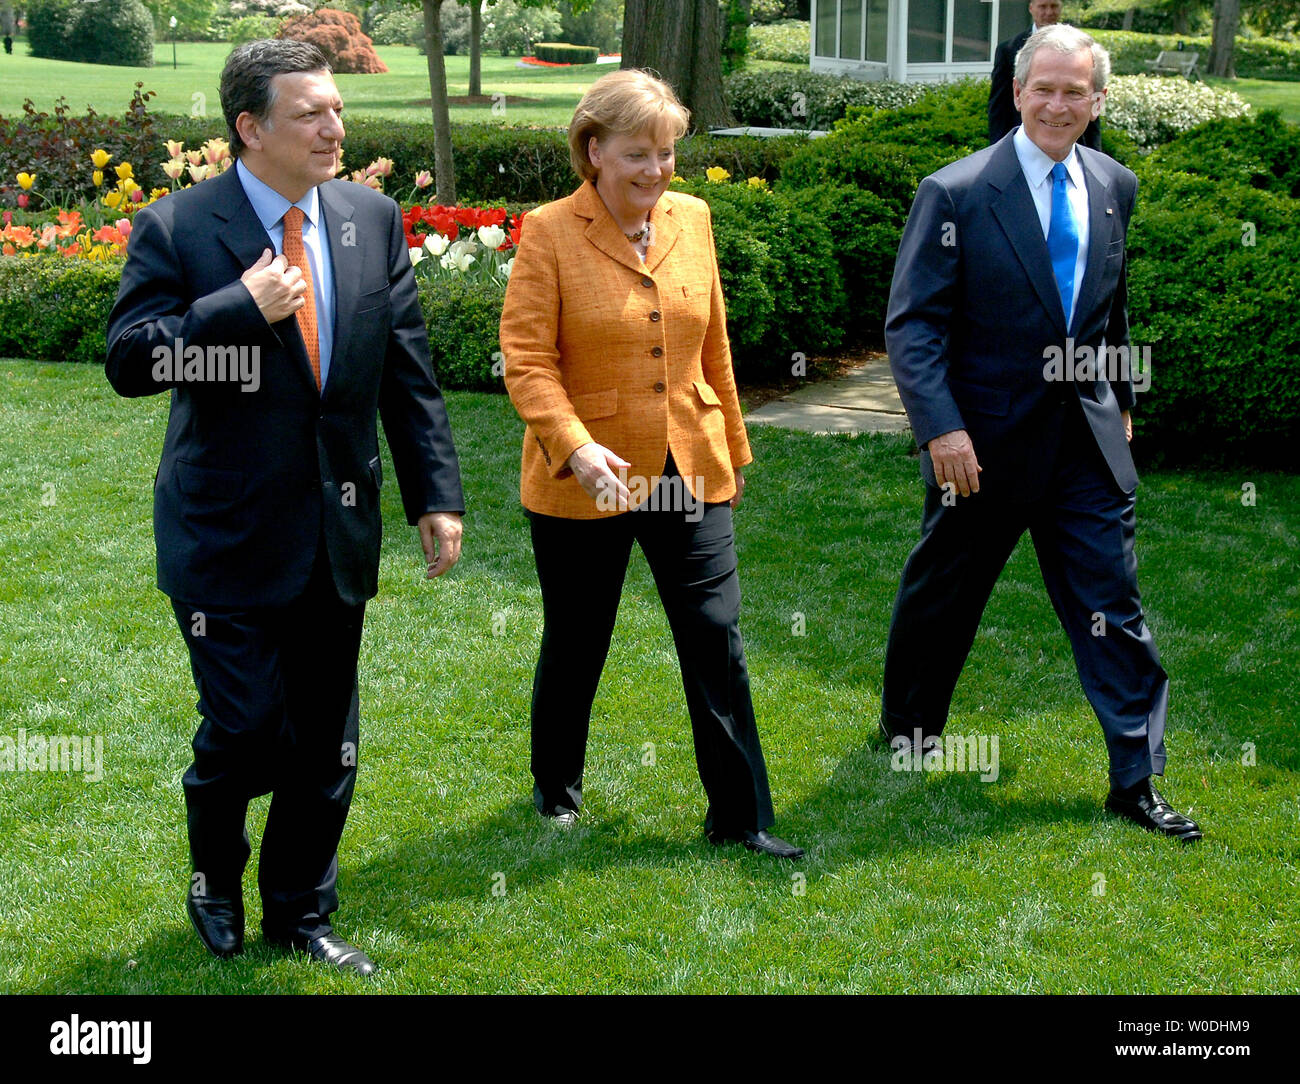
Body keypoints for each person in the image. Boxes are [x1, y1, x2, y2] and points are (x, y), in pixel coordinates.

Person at [105, 39, 465, 973]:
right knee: (245, 728)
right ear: (250, 128)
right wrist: (235, 307)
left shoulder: (370, 218)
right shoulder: (178, 227)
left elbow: (406, 373)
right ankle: (213, 881)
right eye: (311, 114)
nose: (335, 128)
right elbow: (133, 365)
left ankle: (301, 915)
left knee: (325, 742)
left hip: (337, 530)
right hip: (223, 537)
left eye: (337, 110)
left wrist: (436, 495)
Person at [881, 25, 1201, 842]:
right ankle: (910, 728)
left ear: (1097, 103)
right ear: (1018, 92)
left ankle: (1136, 780)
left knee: (1113, 606)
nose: (1059, 104)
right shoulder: (954, 192)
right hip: (979, 446)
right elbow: (913, 326)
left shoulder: (1114, 185)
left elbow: (1110, 307)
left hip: (1089, 445)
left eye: (1076, 92)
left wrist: (1121, 394)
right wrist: (940, 431)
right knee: (944, 593)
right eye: (1045, 89)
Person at [499, 69, 803, 860]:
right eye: (638, 154)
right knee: (579, 640)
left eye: (667, 153)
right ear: (592, 150)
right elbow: (526, 361)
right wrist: (573, 444)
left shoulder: (693, 219)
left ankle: (741, 817)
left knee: (716, 634)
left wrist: (732, 452)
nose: (656, 170)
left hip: (688, 464)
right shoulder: (550, 230)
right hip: (586, 475)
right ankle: (556, 789)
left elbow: (714, 347)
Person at [989, 0, 1101, 151]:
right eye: (1043, 6)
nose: (1048, 12)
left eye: (1054, 6)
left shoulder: (1083, 50)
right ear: (1031, 8)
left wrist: (1095, 154)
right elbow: (999, 107)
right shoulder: (1008, 50)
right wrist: (998, 151)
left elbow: (1092, 106)